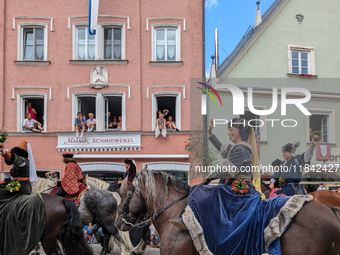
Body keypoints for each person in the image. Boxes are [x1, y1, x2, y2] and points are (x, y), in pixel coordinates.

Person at [170, 118, 263, 229]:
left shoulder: (241, 149)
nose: (229, 133)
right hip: (234, 185)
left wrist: (210, 176)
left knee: (200, 191)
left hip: (238, 188)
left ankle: (195, 222)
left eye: (232, 130)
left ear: (240, 131)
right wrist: (211, 134)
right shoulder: (238, 148)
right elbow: (222, 148)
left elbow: (227, 170)